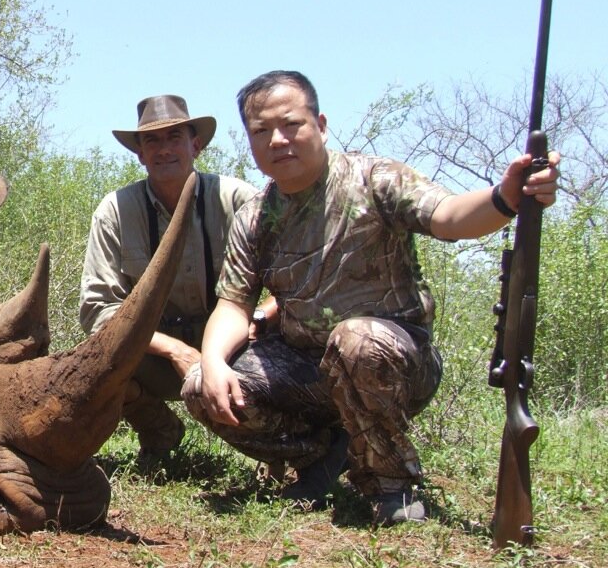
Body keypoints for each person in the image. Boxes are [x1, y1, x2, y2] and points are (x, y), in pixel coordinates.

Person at [182, 70, 561, 525]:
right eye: (261, 132)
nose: (278, 140)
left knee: (356, 339)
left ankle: (392, 485)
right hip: (307, 368)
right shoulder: (255, 216)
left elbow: (450, 218)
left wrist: (505, 197)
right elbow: (234, 304)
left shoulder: (375, 179)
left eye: (291, 125)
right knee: (199, 386)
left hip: (394, 362)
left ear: (320, 125)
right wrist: (213, 363)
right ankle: (323, 456)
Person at [80, 94, 259, 467]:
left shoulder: (239, 199)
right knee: (94, 366)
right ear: (140, 154)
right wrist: (175, 351)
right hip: (155, 352)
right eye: (152, 141)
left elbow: (293, 282)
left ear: (196, 145)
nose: (164, 150)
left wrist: (255, 323)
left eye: (174, 137)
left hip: (234, 343)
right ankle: (158, 429)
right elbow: (97, 310)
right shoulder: (116, 211)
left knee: (290, 351)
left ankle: (274, 451)